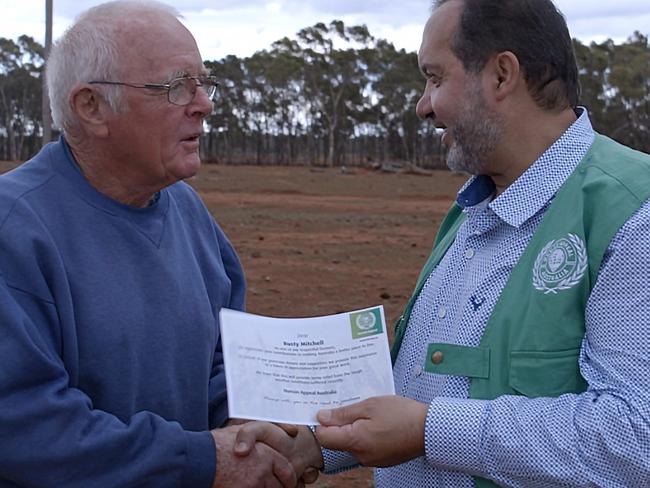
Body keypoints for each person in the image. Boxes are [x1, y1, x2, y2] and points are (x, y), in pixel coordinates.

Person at [237, 0, 650, 486]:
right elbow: (426, 384)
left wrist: (428, 430)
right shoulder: (475, 206)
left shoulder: (632, 215)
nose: (423, 104)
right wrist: (315, 445)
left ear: (501, 75)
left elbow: (634, 438)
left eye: (435, 77)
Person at [0, 1, 317, 486]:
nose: (204, 104)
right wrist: (203, 461)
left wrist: (253, 427)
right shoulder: (15, 230)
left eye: (203, 83)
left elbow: (217, 359)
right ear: (92, 107)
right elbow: (24, 427)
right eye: (176, 87)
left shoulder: (189, 213)